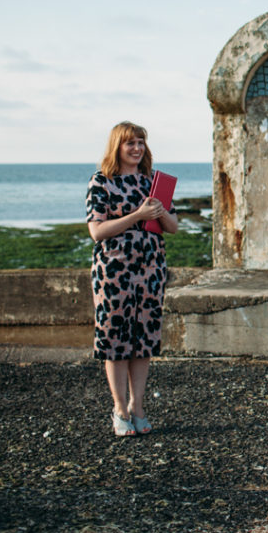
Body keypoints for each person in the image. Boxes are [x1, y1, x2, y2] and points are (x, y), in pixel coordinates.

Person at [86, 121, 178, 436]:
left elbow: (173, 226)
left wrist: (159, 212)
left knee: (143, 340)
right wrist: (137, 216)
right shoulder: (101, 182)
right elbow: (97, 231)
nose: (137, 148)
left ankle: (138, 407)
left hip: (151, 270)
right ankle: (119, 409)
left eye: (140, 142)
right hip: (114, 272)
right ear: (118, 147)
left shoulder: (153, 182)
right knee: (115, 341)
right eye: (130, 143)